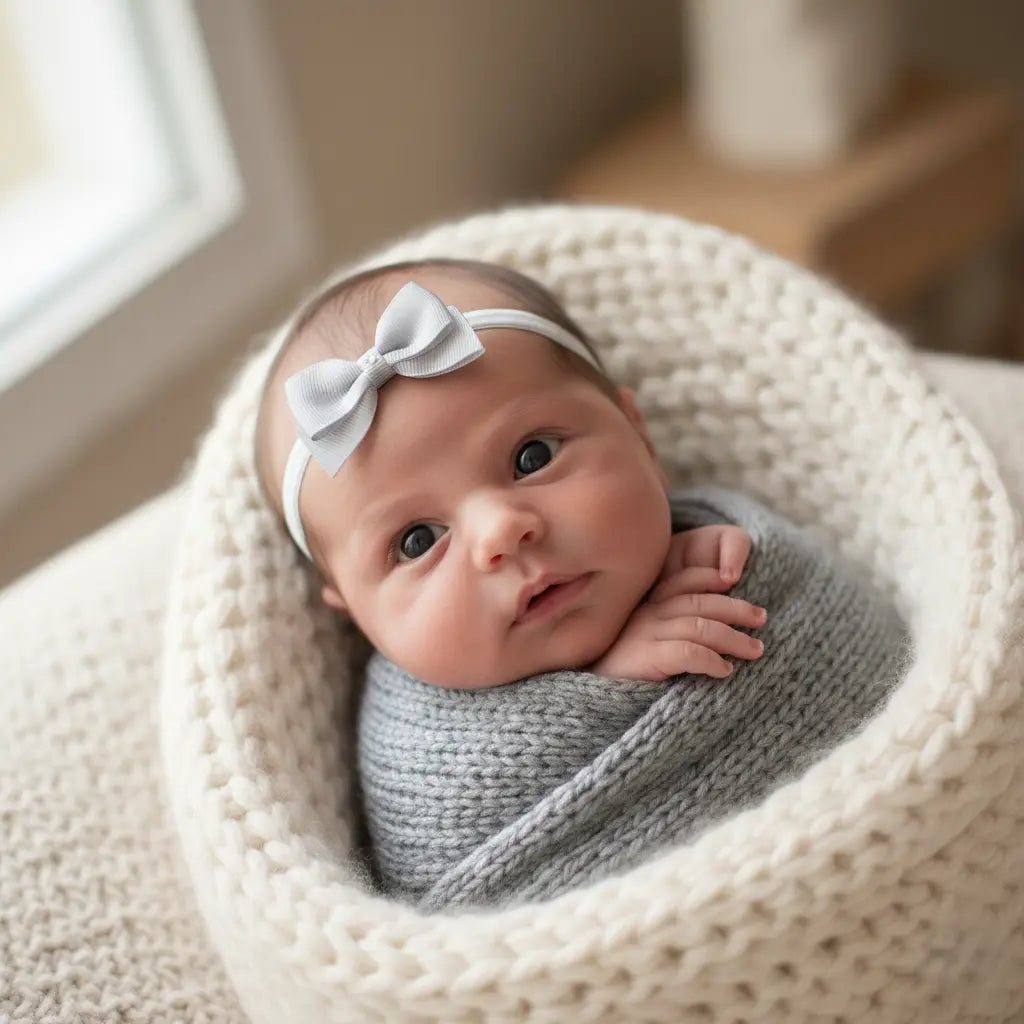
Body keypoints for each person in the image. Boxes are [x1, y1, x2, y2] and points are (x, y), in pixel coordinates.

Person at [255, 258, 766, 689]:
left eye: (533, 458)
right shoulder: (416, 745)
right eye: (417, 541)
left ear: (639, 433)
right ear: (356, 616)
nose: (500, 529)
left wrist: (741, 574)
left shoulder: (725, 551)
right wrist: (605, 691)